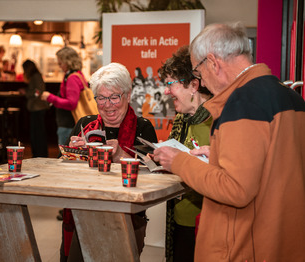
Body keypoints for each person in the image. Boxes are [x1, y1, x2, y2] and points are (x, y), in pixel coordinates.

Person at [150, 22, 305, 261]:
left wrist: (179, 161)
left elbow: (236, 189)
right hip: (283, 239)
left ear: (213, 62)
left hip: (248, 245)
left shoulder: (242, 103)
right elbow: (274, 167)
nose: (200, 83)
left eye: (198, 73)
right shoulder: (290, 96)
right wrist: (220, 155)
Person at [61, 62, 158, 261]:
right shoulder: (84, 124)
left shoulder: (143, 128)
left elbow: (155, 175)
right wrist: (73, 155)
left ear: (128, 96)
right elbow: (61, 172)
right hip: (84, 214)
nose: (108, 105)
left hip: (127, 219)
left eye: (114, 97)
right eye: (101, 98)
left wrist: (121, 155)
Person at [157, 45, 213, 262]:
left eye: (170, 84)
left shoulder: (218, 120)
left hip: (208, 222)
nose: (166, 91)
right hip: (180, 217)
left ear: (193, 85)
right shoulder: (182, 118)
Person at [41, 46, 87, 145]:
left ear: (68, 61)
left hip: (68, 125)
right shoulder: (78, 74)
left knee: (66, 156)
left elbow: (71, 103)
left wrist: (50, 98)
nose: (59, 66)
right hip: (72, 123)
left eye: (60, 63)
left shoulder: (72, 78)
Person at [21, 59, 50, 157]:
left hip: (38, 108)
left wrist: (27, 93)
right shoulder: (36, 76)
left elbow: (38, 92)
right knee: (37, 133)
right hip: (38, 108)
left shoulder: (35, 77)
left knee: (38, 134)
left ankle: (39, 154)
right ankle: (39, 153)